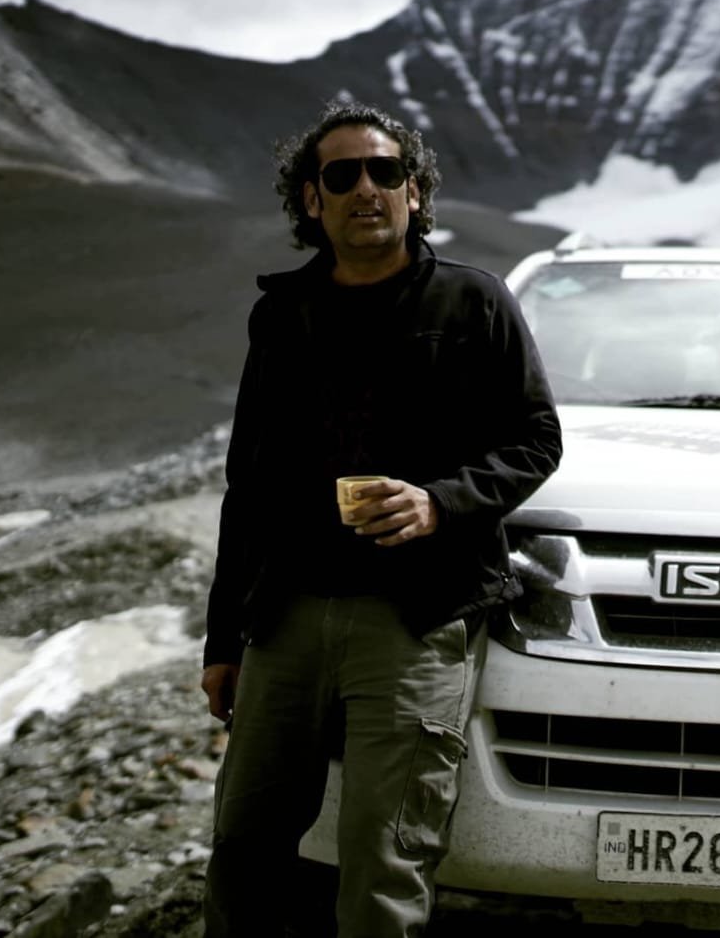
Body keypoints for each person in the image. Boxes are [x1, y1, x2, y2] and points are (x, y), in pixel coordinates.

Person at [200, 100, 562, 937]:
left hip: (415, 617)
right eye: (342, 175)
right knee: (244, 848)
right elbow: (246, 483)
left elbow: (536, 438)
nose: (366, 188)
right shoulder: (282, 314)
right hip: (285, 616)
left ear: (415, 191)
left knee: (383, 859)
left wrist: (441, 501)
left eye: (386, 171)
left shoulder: (474, 302)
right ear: (312, 199)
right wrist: (224, 639)